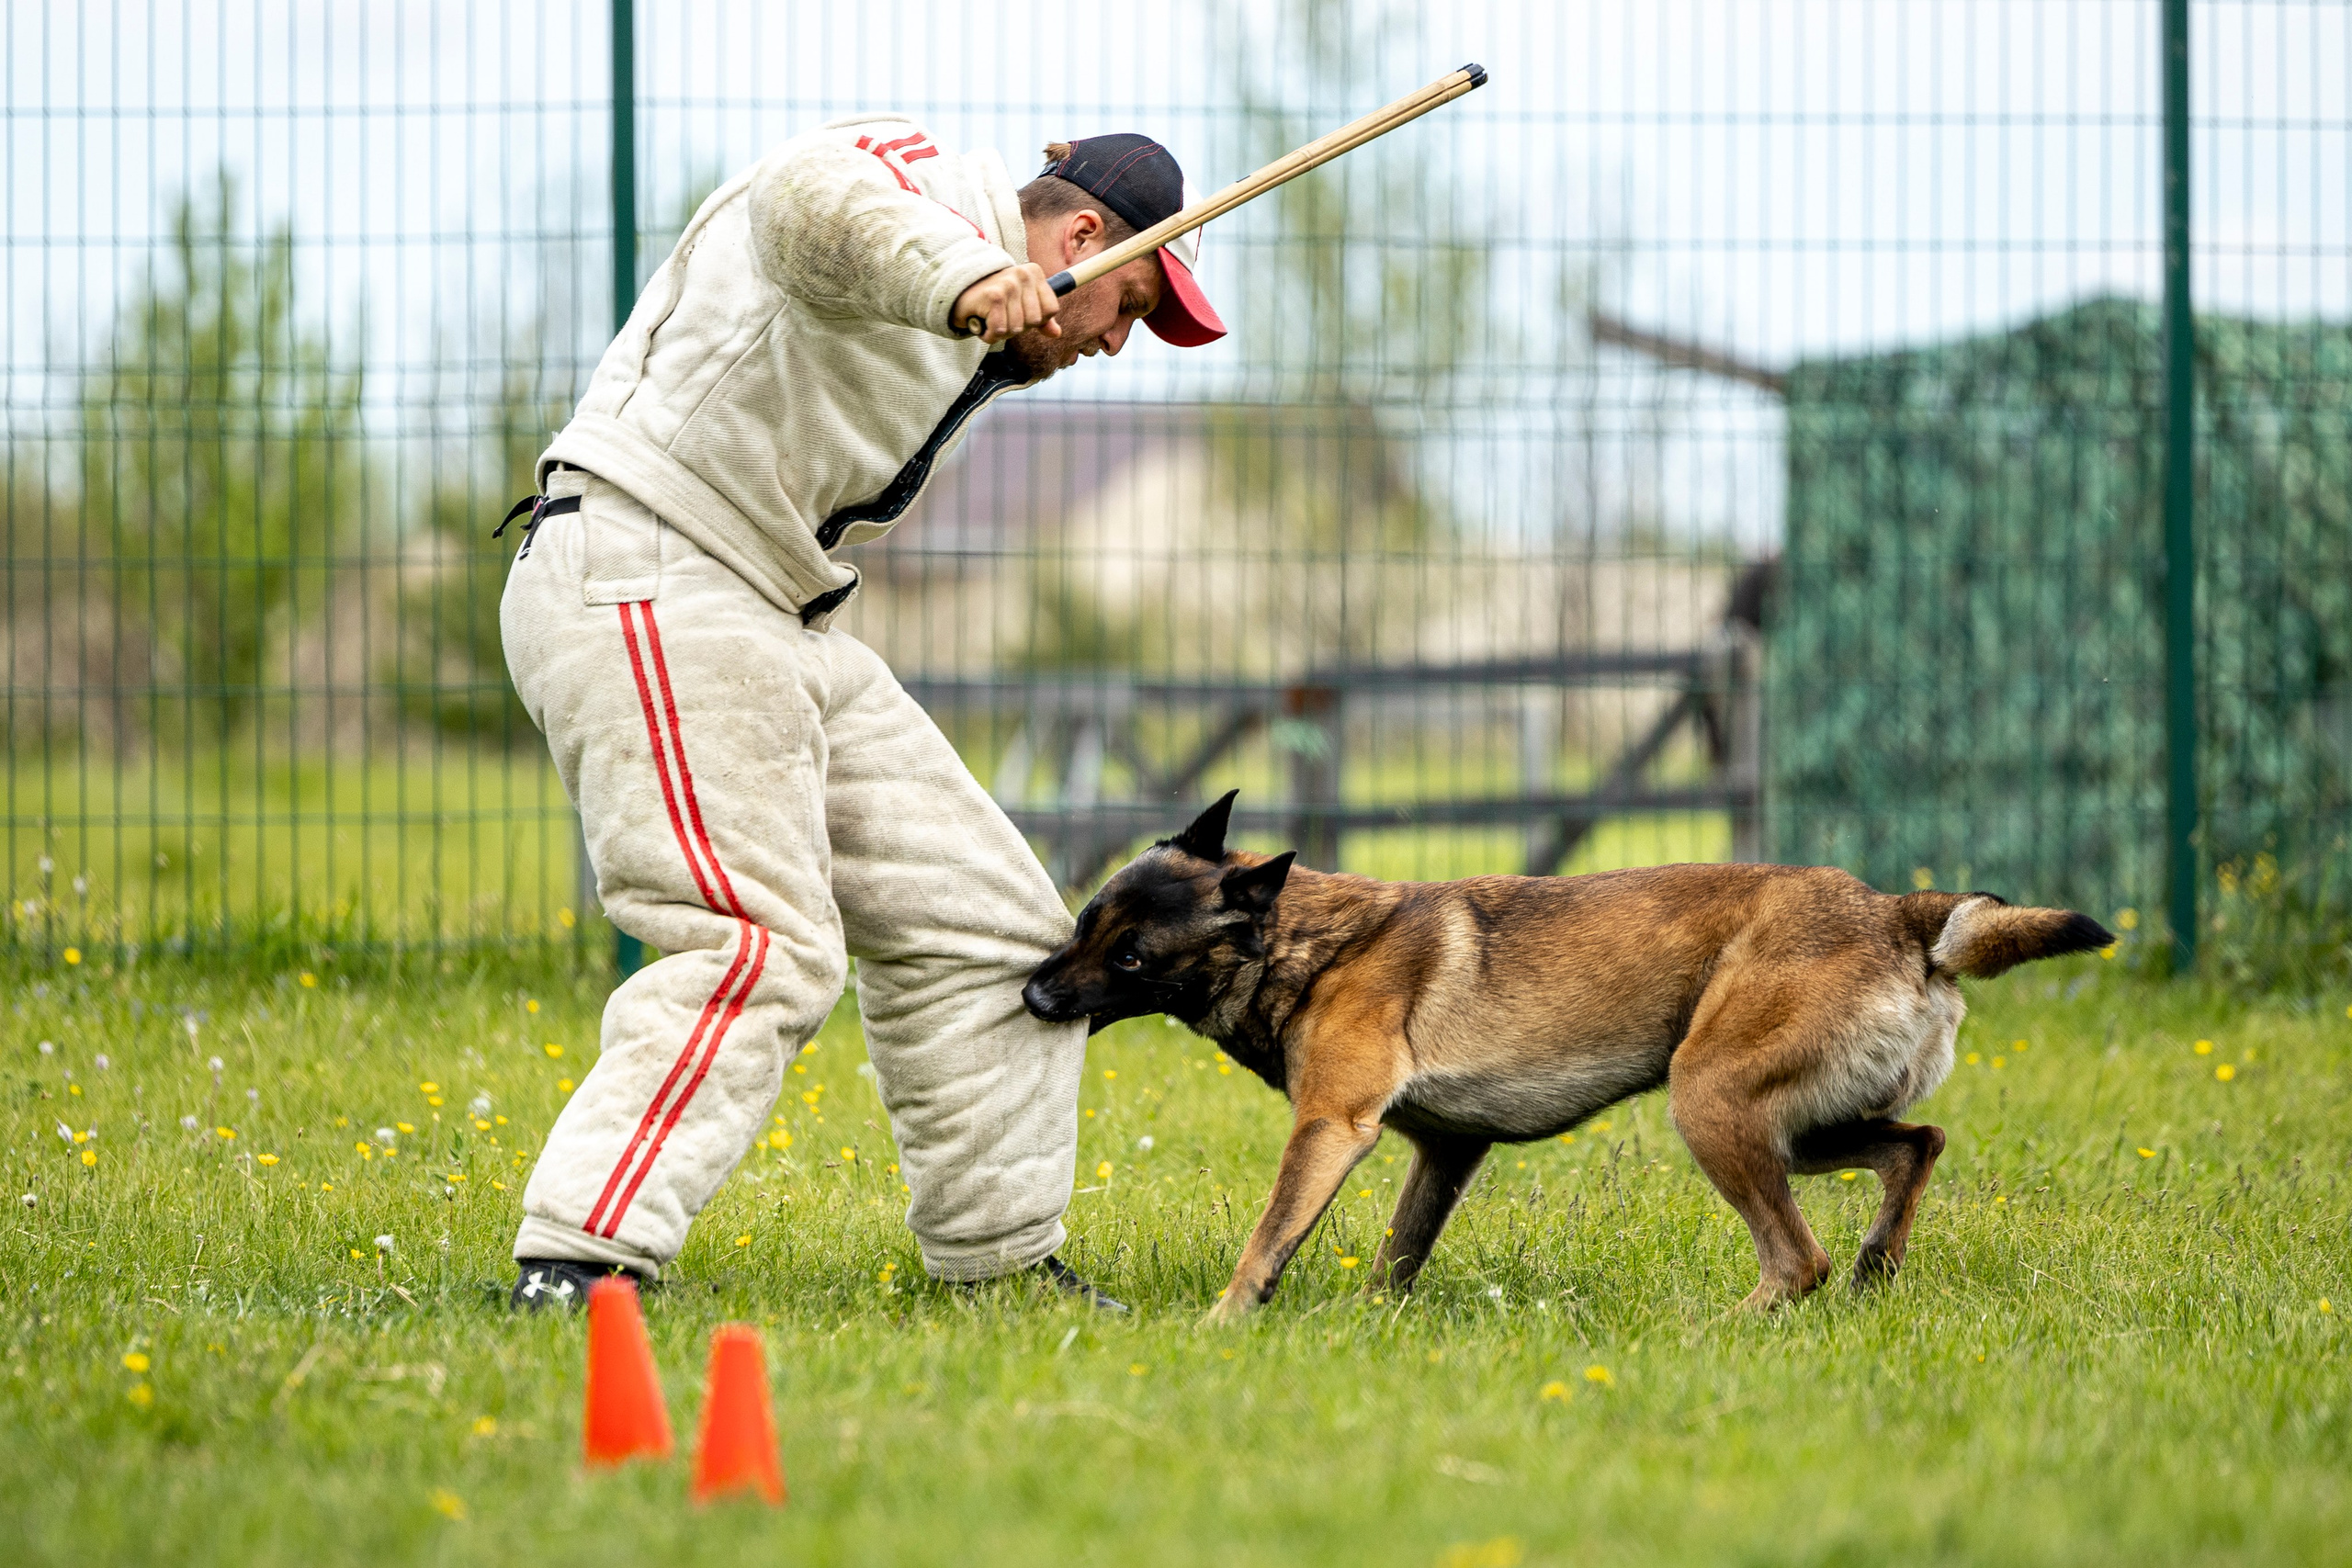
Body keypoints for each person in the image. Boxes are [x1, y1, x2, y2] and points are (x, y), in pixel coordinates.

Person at [498, 120, 1225, 1314]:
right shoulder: (929, 197)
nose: (1115, 342)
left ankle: (999, 1262)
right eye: (1131, 306)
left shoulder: (963, 287)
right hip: (650, 566)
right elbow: (803, 200)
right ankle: (578, 1263)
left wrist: (980, 314)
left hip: (768, 609)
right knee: (754, 942)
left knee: (997, 926)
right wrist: (969, 276)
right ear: (1083, 239)